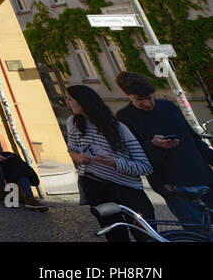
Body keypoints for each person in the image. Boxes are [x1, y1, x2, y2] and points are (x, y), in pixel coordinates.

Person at [115, 72, 213, 228]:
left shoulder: (169, 107)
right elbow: (132, 154)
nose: (147, 103)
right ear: (128, 96)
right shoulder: (124, 117)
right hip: (171, 185)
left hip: (201, 175)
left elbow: (194, 139)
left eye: (149, 97)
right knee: (196, 230)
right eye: (139, 100)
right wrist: (152, 145)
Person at [65, 84, 154, 242]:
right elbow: (71, 149)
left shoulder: (118, 128)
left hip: (127, 189)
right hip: (95, 186)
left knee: (145, 235)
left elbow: (145, 167)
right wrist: (78, 158)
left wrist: (114, 163)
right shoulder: (73, 122)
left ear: (84, 101)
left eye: (70, 99)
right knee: (115, 235)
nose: (68, 103)